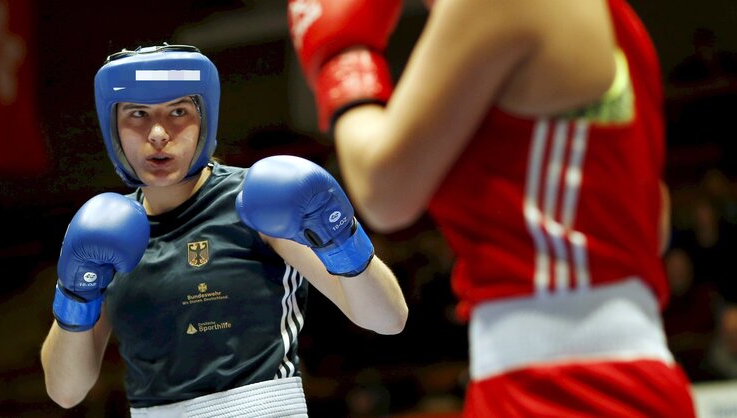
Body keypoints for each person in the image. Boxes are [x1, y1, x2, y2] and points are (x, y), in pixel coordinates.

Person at [287, 0, 697, 416]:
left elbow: (383, 192)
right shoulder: (620, 21)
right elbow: (653, 220)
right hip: (613, 372)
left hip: (564, 386)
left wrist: (343, 61)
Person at [40, 44, 408, 417]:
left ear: (206, 118)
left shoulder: (256, 204)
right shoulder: (103, 234)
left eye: (178, 111)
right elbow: (65, 392)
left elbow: (388, 319)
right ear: (112, 127)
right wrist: (75, 293)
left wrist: (339, 234)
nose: (157, 133)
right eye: (137, 113)